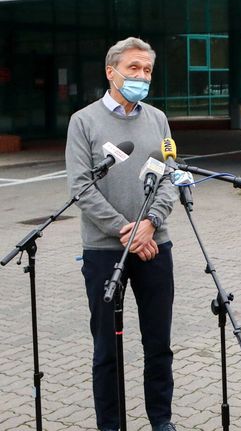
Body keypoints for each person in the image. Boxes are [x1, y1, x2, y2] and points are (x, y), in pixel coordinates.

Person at [65, 37, 178, 431]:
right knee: (107, 350)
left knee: (159, 346)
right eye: (133, 68)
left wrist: (151, 225)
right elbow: (81, 187)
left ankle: (161, 421)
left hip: (154, 247)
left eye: (147, 69)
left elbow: (170, 176)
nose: (141, 76)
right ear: (111, 72)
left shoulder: (158, 119)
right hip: (103, 252)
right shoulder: (83, 121)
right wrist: (126, 231)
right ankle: (110, 425)